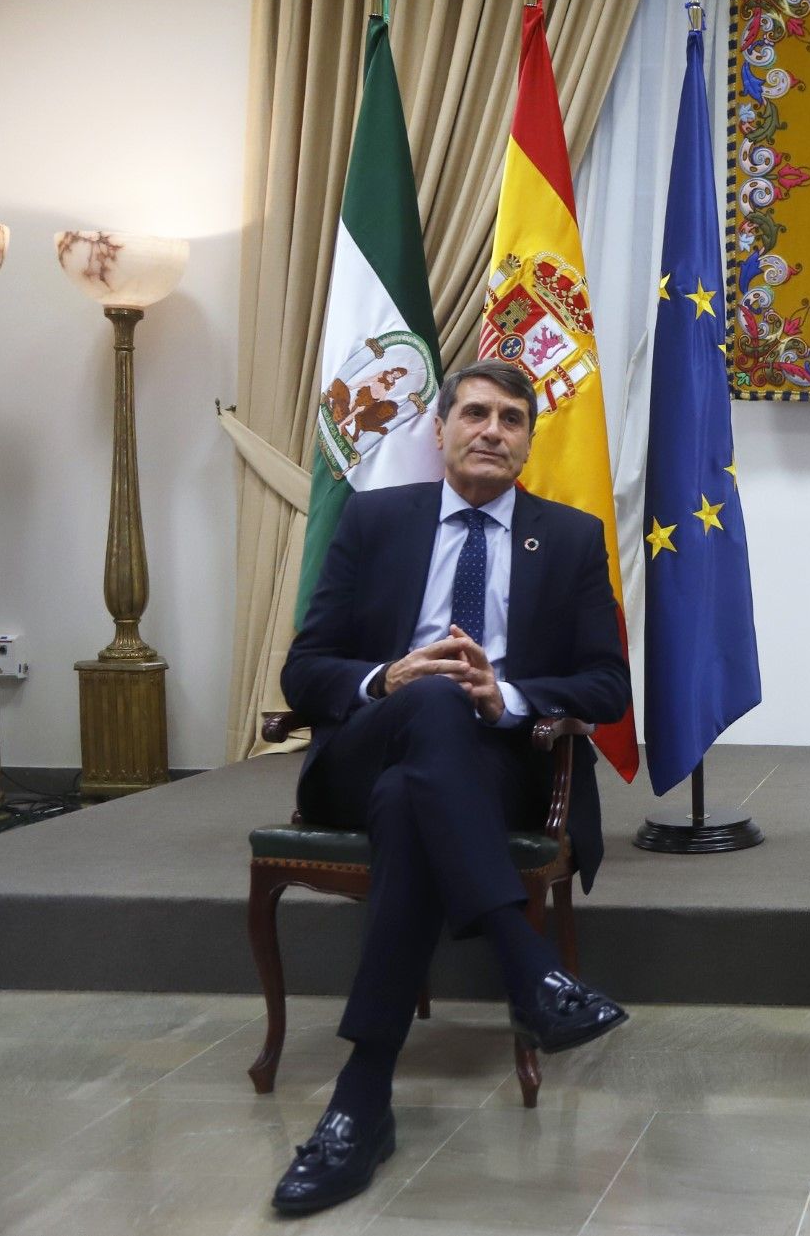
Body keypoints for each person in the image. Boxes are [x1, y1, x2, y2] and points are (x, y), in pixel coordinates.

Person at [270, 360, 631, 1215]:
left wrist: (506, 696)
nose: (492, 430)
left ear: (529, 443)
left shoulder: (570, 537)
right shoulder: (375, 519)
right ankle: (525, 964)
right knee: (428, 700)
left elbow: (607, 686)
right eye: (475, 412)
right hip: (367, 749)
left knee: (412, 801)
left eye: (512, 418)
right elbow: (304, 667)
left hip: (491, 764)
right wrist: (387, 677)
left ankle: (361, 1100)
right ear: (440, 431)